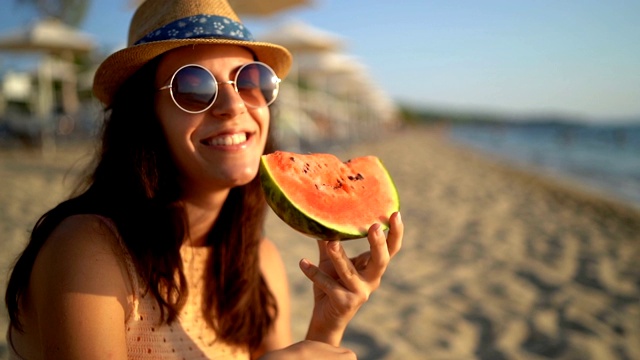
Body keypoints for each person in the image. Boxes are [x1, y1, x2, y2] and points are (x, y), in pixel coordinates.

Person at [4, 0, 403, 358]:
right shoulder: (88, 250)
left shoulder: (259, 260)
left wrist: (326, 325)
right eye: (193, 88)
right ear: (145, 115)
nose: (233, 106)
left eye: (251, 81)